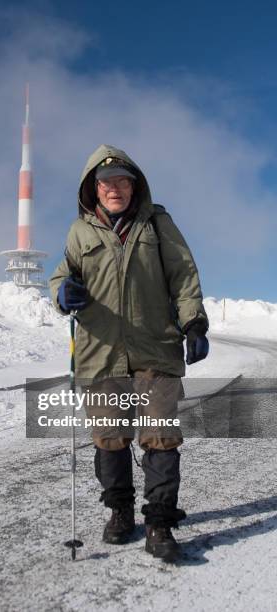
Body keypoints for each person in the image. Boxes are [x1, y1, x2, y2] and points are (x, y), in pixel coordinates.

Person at [49, 144, 209, 562]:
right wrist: (62, 293)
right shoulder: (79, 232)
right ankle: (119, 511)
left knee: (160, 438)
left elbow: (184, 275)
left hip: (155, 349)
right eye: (106, 182)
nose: (114, 188)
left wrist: (194, 323)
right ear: (94, 188)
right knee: (110, 441)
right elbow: (62, 276)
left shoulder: (156, 223)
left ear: (134, 185)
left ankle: (159, 522)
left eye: (122, 180)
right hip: (100, 355)